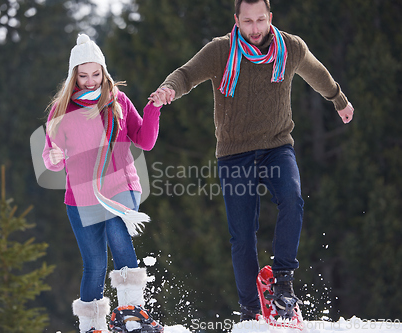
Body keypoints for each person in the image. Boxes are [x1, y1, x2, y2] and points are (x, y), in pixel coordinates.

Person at [149, 0, 354, 322]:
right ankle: (250, 310)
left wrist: (339, 100)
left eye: (261, 20)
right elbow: (186, 74)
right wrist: (167, 89)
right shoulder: (220, 51)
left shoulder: (291, 48)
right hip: (234, 153)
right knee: (242, 235)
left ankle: (283, 282)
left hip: (277, 146)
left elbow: (318, 74)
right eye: (248, 22)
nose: (255, 29)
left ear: (270, 18)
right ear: (237, 21)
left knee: (292, 199)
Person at [43, 34, 166, 333]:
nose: (90, 81)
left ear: (104, 71)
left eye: (95, 74)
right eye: (83, 75)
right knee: (95, 264)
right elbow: (50, 158)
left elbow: (145, 141)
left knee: (116, 229)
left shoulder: (117, 100)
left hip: (120, 185)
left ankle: (132, 313)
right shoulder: (60, 111)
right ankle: (92, 326)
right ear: (74, 76)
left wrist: (153, 109)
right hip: (81, 197)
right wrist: (56, 156)